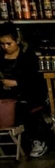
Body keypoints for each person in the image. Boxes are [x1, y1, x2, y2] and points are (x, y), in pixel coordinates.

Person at [0, 22, 48, 157]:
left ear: (17, 40)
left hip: (28, 95)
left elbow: (35, 80)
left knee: (25, 107)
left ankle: (37, 141)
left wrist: (17, 83)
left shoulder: (28, 56)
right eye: (2, 44)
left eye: (9, 44)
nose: (6, 47)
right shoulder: (1, 58)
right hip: (6, 96)